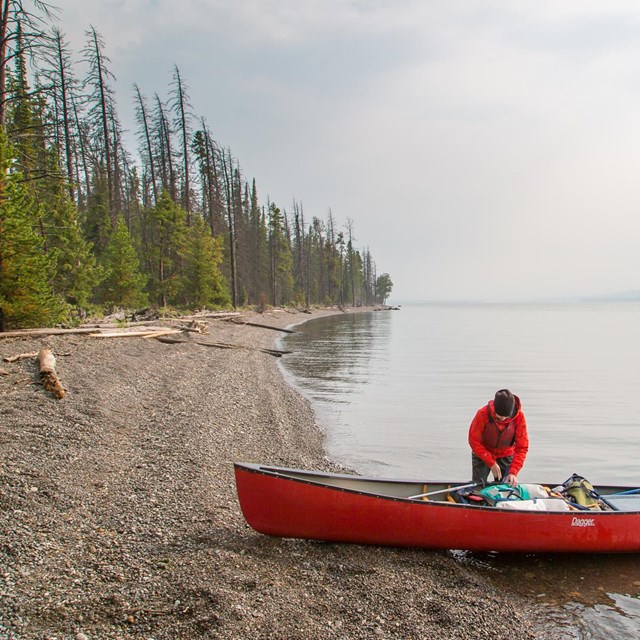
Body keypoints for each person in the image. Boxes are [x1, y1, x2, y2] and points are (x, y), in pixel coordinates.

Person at [468, 389, 529, 487]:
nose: (503, 420)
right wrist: (491, 462)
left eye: (506, 417)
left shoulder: (519, 417)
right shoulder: (482, 413)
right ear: (494, 409)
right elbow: (474, 441)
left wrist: (513, 471)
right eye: (499, 416)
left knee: (506, 485)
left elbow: (522, 447)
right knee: (478, 486)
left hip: (506, 454)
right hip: (483, 453)